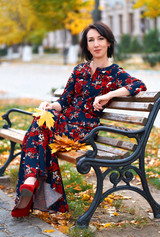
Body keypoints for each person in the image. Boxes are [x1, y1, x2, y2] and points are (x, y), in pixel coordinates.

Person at [11, 22, 147, 217]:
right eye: (91, 40)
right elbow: (64, 100)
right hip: (64, 122)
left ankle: (32, 183)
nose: (96, 44)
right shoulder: (79, 70)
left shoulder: (115, 73)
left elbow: (138, 85)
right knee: (41, 120)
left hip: (85, 130)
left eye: (100, 39)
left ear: (109, 43)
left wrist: (108, 95)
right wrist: (51, 106)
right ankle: (32, 181)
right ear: (86, 45)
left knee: (39, 129)